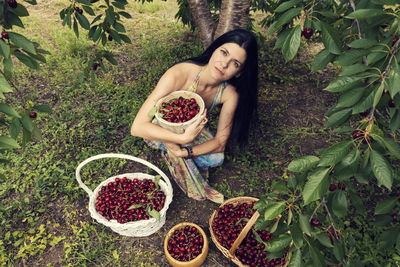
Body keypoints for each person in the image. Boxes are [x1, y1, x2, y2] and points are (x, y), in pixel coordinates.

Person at [130, 29, 258, 203]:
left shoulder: (228, 94)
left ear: (239, 72)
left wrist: (183, 152)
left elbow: (220, 144)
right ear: (214, 48)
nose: (224, 64)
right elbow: (138, 127)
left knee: (216, 158)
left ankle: (172, 151)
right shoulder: (180, 73)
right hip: (159, 127)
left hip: (192, 128)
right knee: (169, 141)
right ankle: (169, 148)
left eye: (235, 63)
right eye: (224, 52)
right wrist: (181, 137)